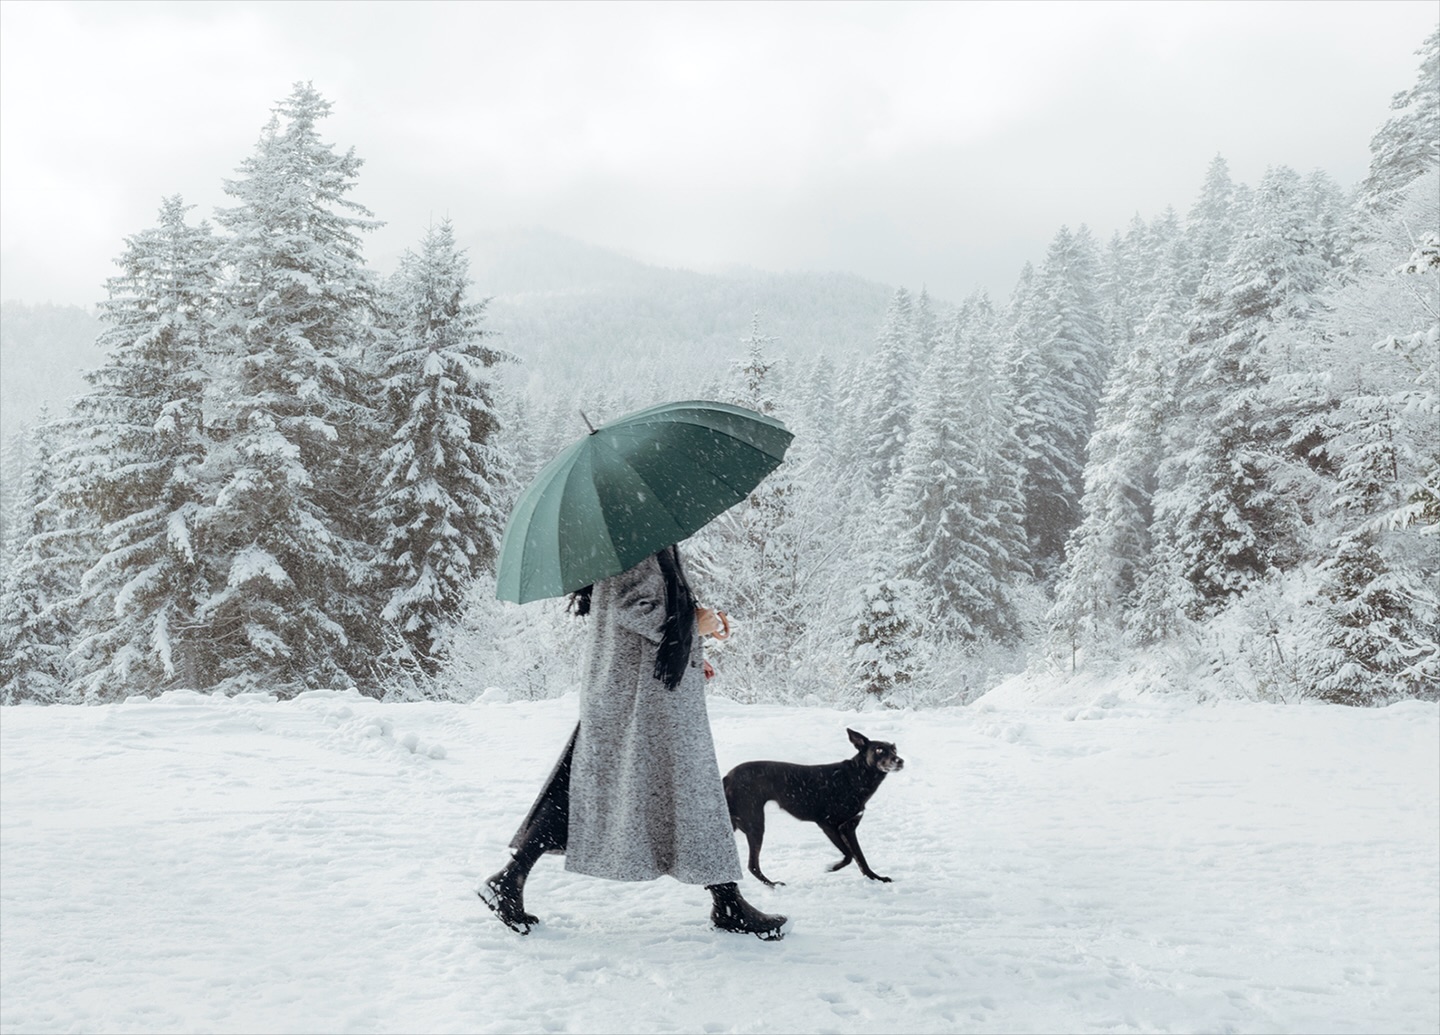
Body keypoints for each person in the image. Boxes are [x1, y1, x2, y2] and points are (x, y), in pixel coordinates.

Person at [479, 543, 787, 940]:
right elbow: (633, 606)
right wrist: (696, 627)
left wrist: (690, 646)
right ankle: (727, 902)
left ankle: (509, 879)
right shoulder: (636, 541)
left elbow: (645, 606)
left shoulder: (637, 537)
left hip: (637, 692)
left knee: (585, 786)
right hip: (638, 698)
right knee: (690, 790)